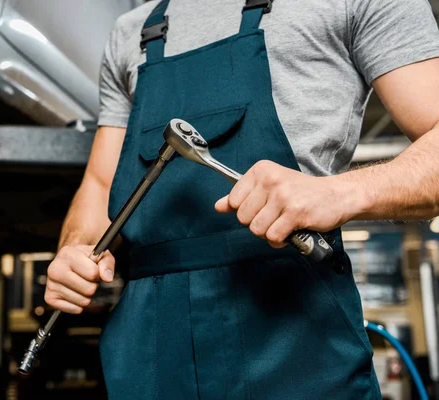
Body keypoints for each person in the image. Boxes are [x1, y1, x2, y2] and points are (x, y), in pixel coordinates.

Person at [44, 0, 439, 398]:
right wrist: (75, 249)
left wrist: (338, 193)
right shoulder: (132, 31)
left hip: (295, 342)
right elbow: (98, 184)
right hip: (150, 350)